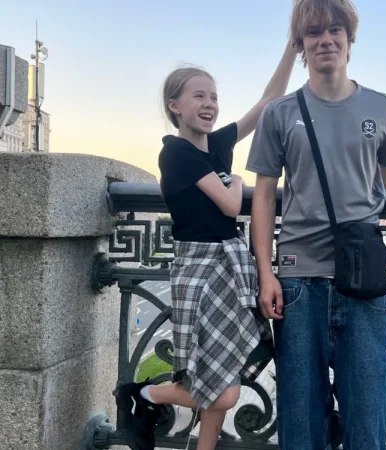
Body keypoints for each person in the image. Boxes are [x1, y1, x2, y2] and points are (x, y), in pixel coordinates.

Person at [113, 27, 297, 450]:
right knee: (221, 389)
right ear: (174, 106)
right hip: (199, 270)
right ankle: (142, 393)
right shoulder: (175, 152)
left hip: (230, 266)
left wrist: (292, 47)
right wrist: (239, 182)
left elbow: (267, 103)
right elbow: (231, 205)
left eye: (213, 96)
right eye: (198, 96)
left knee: (223, 373)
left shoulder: (216, 144)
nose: (209, 103)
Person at [246, 0, 386, 448]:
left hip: (363, 279)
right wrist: (266, 273)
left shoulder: (384, 107)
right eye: (314, 32)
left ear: (350, 39)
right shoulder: (280, 113)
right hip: (298, 282)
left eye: (335, 30)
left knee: (368, 421)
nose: (326, 40)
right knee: (300, 423)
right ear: (301, 44)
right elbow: (264, 195)